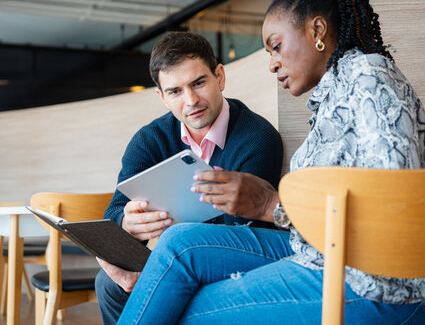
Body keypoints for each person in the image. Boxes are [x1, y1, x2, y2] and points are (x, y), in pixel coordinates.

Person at [115, 0, 425, 324]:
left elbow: (393, 212)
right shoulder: (335, 95)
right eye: (174, 91)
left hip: (384, 286)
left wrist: (270, 204)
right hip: (326, 255)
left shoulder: (368, 78)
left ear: (317, 31)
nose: (272, 63)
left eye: (276, 46)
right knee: (179, 244)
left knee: (188, 308)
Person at [95, 31, 284, 324]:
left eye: (199, 83)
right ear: (161, 96)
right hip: (170, 256)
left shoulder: (258, 137)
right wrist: (126, 221)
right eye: (175, 91)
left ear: (219, 77)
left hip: (231, 254)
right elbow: (115, 210)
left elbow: (246, 230)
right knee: (108, 284)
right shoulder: (150, 140)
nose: (191, 100)